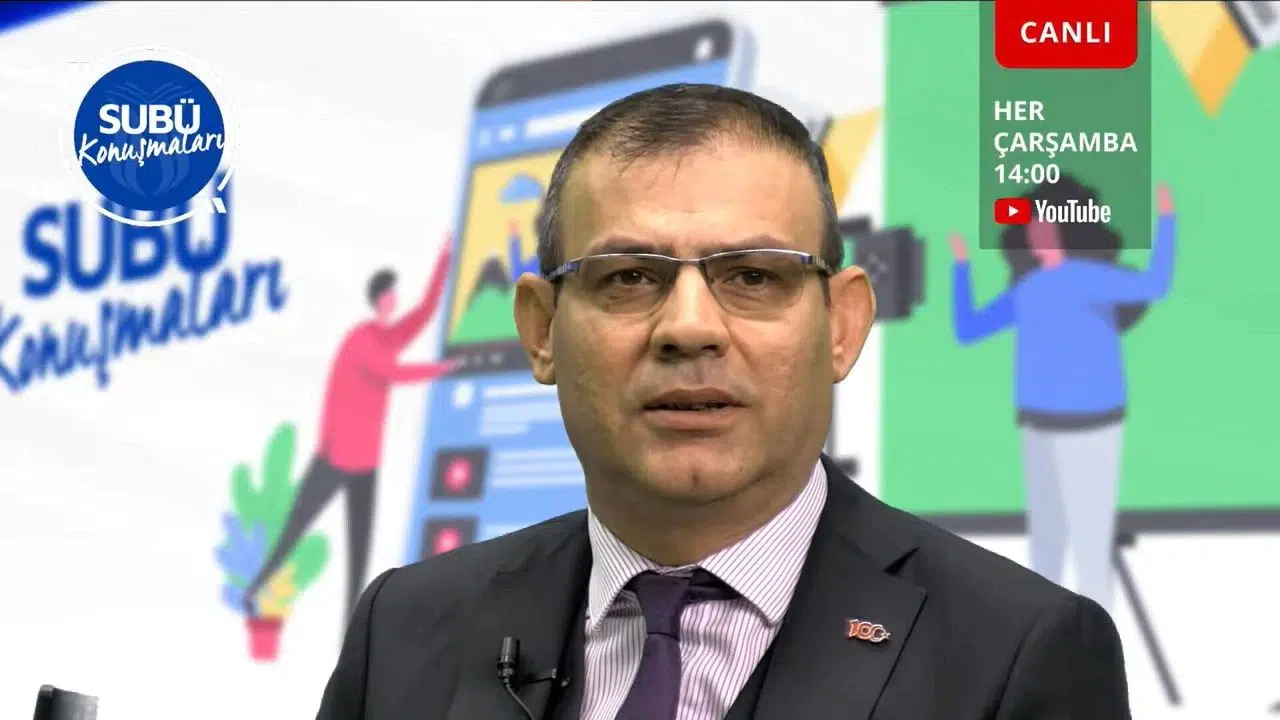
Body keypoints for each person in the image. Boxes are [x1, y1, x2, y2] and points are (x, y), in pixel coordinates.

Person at [315, 84, 1130, 720]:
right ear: (540, 331)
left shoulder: (1020, 653)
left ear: (843, 326)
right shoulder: (404, 629)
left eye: (752, 276)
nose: (689, 328)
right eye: (628, 277)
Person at [949, 177, 1176, 613]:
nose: (1037, 233)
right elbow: (969, 329)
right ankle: (1047, 641)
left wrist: (1168, 220)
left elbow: (1156, 284)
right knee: (1046, 547)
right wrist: (961, 268)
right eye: (1032, 227)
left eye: (1044, 226)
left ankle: (1099, 643)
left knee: (1091, 545)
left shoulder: (1091, 278)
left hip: (1093, 428)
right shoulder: (1027, 289)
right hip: (1038, 427)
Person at [242, 245, 458, 624]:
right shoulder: (362, 339)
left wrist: (444, 260)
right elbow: (392, 373)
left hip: (365, 463)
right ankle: (254, 589)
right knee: (295, 529)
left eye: (394, 295)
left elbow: (424, 313)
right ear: (377, 300)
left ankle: (353, 629)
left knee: (359, 551)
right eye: (387, 295)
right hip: (334, 458)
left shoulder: (388, 338)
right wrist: (440, 370)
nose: (393, 301)